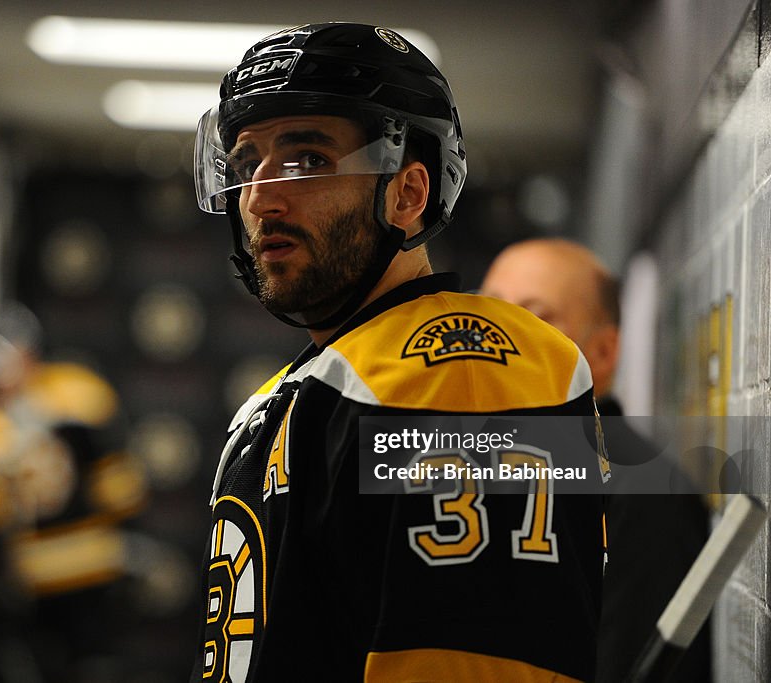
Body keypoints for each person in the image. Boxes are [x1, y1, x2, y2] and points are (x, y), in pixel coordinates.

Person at [190, 23, 606, 682]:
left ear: (408, 193)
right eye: (246, 166)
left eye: (306, 160)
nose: (261, 198)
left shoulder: (453, 365)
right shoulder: (323, 379)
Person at [481, 238, 711, 683]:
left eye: (535, 318)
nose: (500, 339)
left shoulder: (642, 495)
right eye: (491, 314)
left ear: (603, 352)